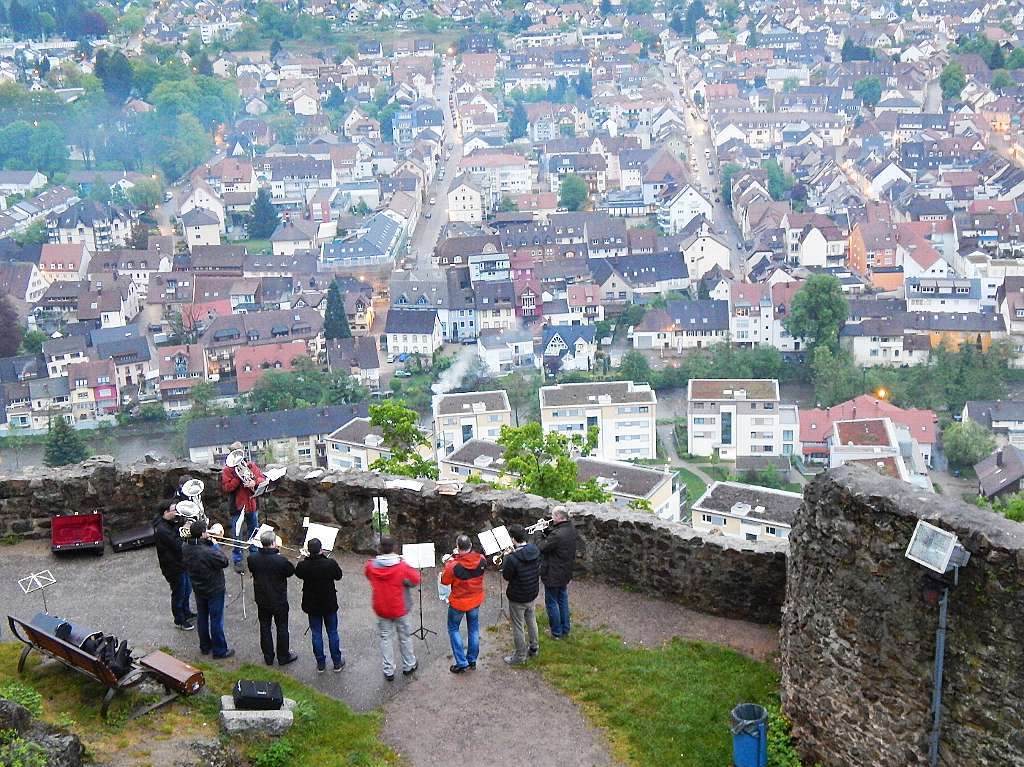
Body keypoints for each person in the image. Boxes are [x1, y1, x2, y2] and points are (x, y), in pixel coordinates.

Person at [364, 536, 420, 681]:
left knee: (385, 638)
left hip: (381, 607)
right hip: (400, 607)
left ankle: (388, 670)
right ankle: (409, 664)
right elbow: (415, 580)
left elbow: (369, 576)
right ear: (394, 548)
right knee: (405, 637)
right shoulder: (402, 566)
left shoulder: (371, 566)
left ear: (380, 548)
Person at [182, 519, 234, 659]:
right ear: (202, 534)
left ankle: (205, 647)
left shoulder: (185, 546)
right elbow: (224, 561)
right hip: (214, 588)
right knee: (216, 620)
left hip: (198, 587)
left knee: (202, 617)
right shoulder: (208, 551)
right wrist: (215, 546)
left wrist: (208, 543)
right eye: (206, 531)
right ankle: (220, 651)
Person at [247, 530, 297, 667]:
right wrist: (278, 555)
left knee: (265, 627)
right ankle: (283, 656)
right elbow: (291, 571)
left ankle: (268, 657)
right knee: (282, 627)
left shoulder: (252, 558)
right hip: (278, 599)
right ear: (274, 543)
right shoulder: (280, 560)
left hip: (262, 598)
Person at [294, 538, 345, 673]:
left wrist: (306, 559)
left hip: (312, 604)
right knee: (332, 632)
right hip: (328, 603)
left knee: (316, 634)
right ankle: (337, 662)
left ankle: (321, 663)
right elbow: (338, 576)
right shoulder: (329, 564)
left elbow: (298, 573)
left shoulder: (304, 565)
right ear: (321, 549)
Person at [440, 534, 486, 674]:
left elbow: (444, 581)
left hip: (459, 603)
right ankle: (472, 660)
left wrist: (448, 563)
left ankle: (461, 662)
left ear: (457, 547)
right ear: (471, 546)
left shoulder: (453, 565)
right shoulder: (482, 559)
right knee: (473, 629)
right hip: (475, 600)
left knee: (453, 629)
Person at [220, 441, 266, 573]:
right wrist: (238, 478)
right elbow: (227, 487)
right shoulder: (228, 470)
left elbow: (261, 479)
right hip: (237, 507)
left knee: (254, 532)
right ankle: (238, 559)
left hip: (252, 505)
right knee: (237, 535)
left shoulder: (250, 465)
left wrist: (254, 481)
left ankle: (254, 556)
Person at [501, 524, 541, 665]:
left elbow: (507, 576)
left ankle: (520, 655)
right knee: (531, 619)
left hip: (518, 596)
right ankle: (534, 647)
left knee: (518, 626)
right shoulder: (534, 549)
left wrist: (507, 558)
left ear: (513, 539)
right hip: (532, 592)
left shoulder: (512, 558)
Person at [537, 506, 578, 640]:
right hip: (565, 571)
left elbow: (542, 547)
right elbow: (555, 536)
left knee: (552, 602)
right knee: (563, 599)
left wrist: (538, 532)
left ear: (560, 517)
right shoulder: (570, 528)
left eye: (553, 516)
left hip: (553, 573)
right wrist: (545, 529)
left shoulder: (558, 534)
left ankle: (556, 632)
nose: (551, 519)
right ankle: (565, 629)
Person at [153, 502, 195, 631]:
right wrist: (187, 530)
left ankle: (186, 612)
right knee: (179, 593)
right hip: (173, 567)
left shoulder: (169, 523)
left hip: (181, 563)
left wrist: (184, 525)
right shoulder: (162, 530)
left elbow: (176, 532)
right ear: (166, 512)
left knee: (187, 589)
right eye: (173, 510)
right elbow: (177, 545)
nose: (176, 512)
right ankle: (179, 619)